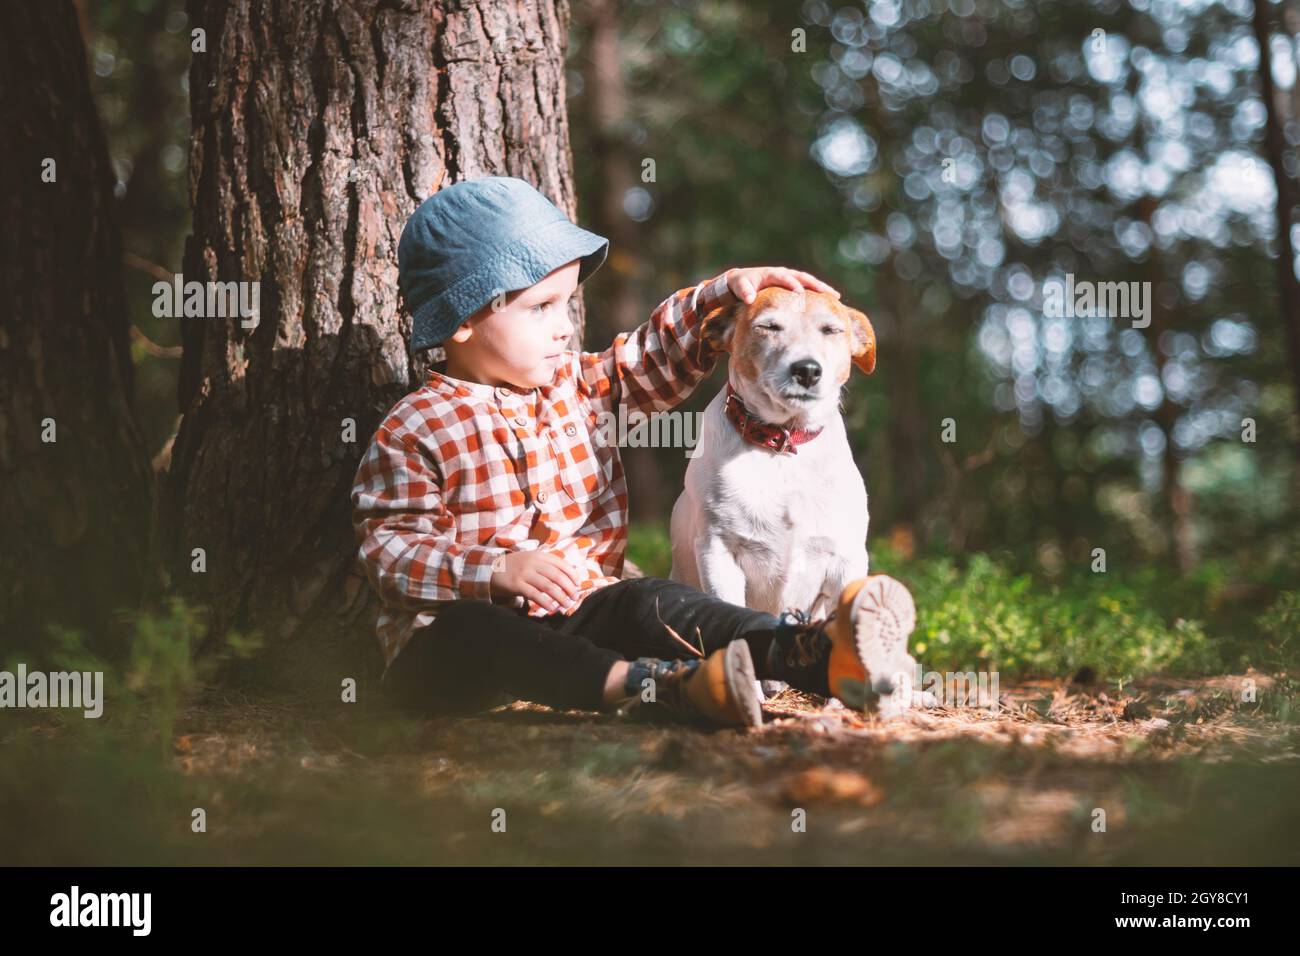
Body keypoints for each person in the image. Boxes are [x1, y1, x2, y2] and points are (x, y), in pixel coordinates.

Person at [350, 176, 918, 728]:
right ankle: (662, 689)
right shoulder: (415, 428)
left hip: (579, 615)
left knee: (648, 598)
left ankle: (812, 655)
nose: (565, 329)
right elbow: (389, 552)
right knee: (476, 628)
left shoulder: (578, 388)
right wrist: (494, 570)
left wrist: (724, 291)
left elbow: (652, 357)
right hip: (453, 653)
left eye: (568, 305)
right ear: (465, 320)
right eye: (541, 308)